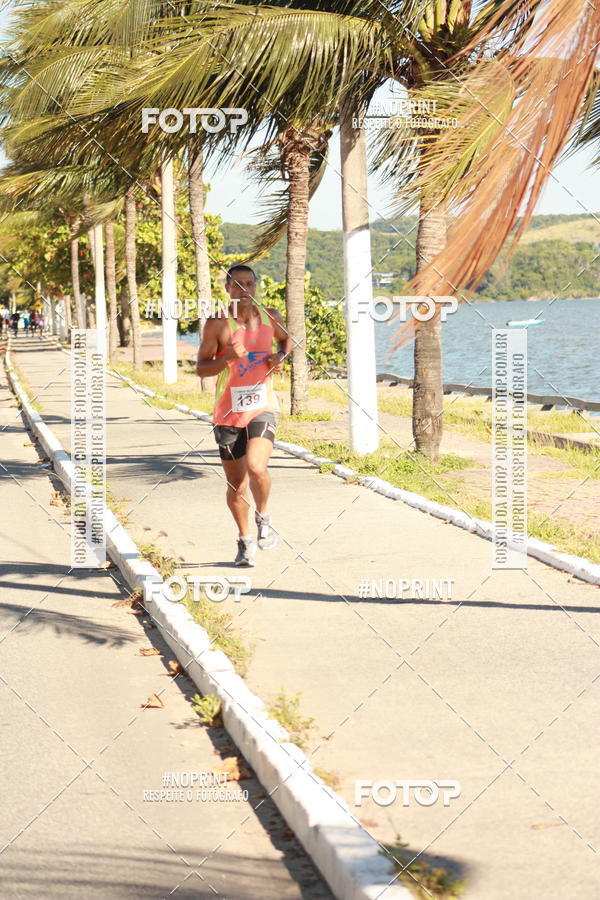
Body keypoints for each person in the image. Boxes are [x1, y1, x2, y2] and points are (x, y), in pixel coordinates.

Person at [196, 265, 292, 567]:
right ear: (227, 289)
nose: (245, 289)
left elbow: (286, 340)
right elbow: (201, 368)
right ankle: (245, 539)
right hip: (227, 413)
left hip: (262, 406)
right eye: (238, 284)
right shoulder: (216, 325)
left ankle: (263, 516)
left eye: (250, 283)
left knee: (256, 465)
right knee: (236, 485)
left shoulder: (270, 316)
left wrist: (279, 357)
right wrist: (227, 359)